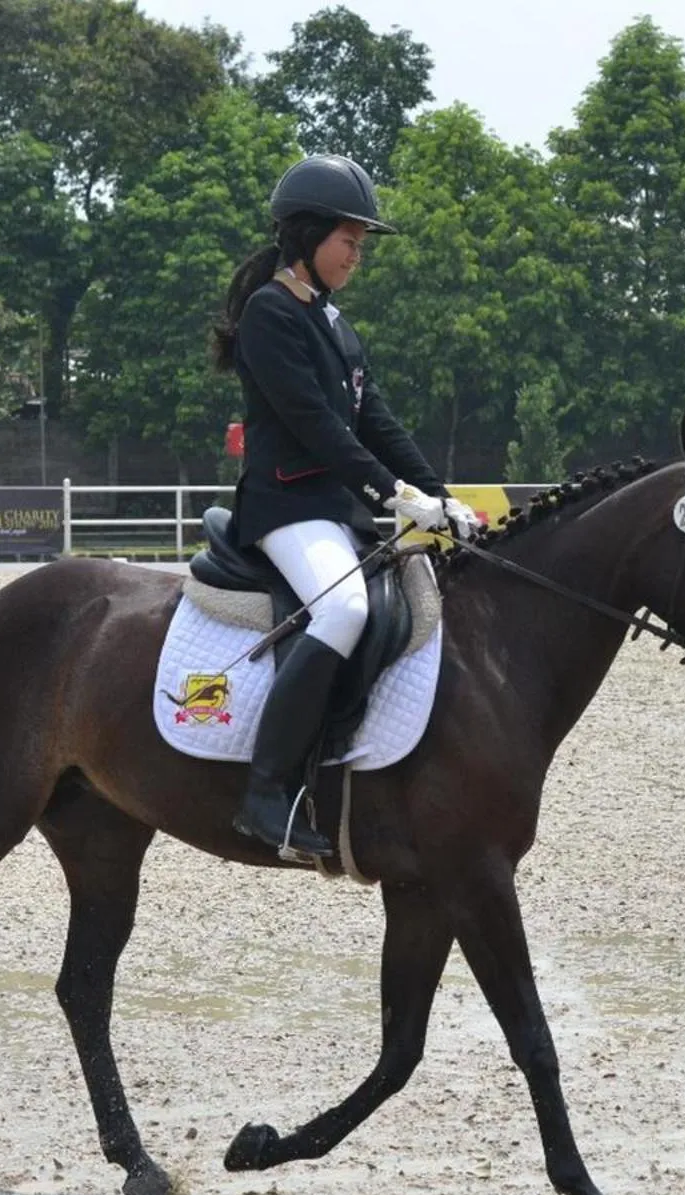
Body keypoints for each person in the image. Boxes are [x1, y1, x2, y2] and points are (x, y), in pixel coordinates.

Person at [208, 153, 479, 861]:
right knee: (344, 610)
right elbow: (317, 428)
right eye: (348, 241)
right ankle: (265, 791)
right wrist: (393, 494)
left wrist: (440, 496)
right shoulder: (271, 314)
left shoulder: (333, 322)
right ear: (306, 236)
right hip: (287, 506)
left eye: (361, 244)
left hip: (335, 511)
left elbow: (376, 422)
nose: (357, 255)